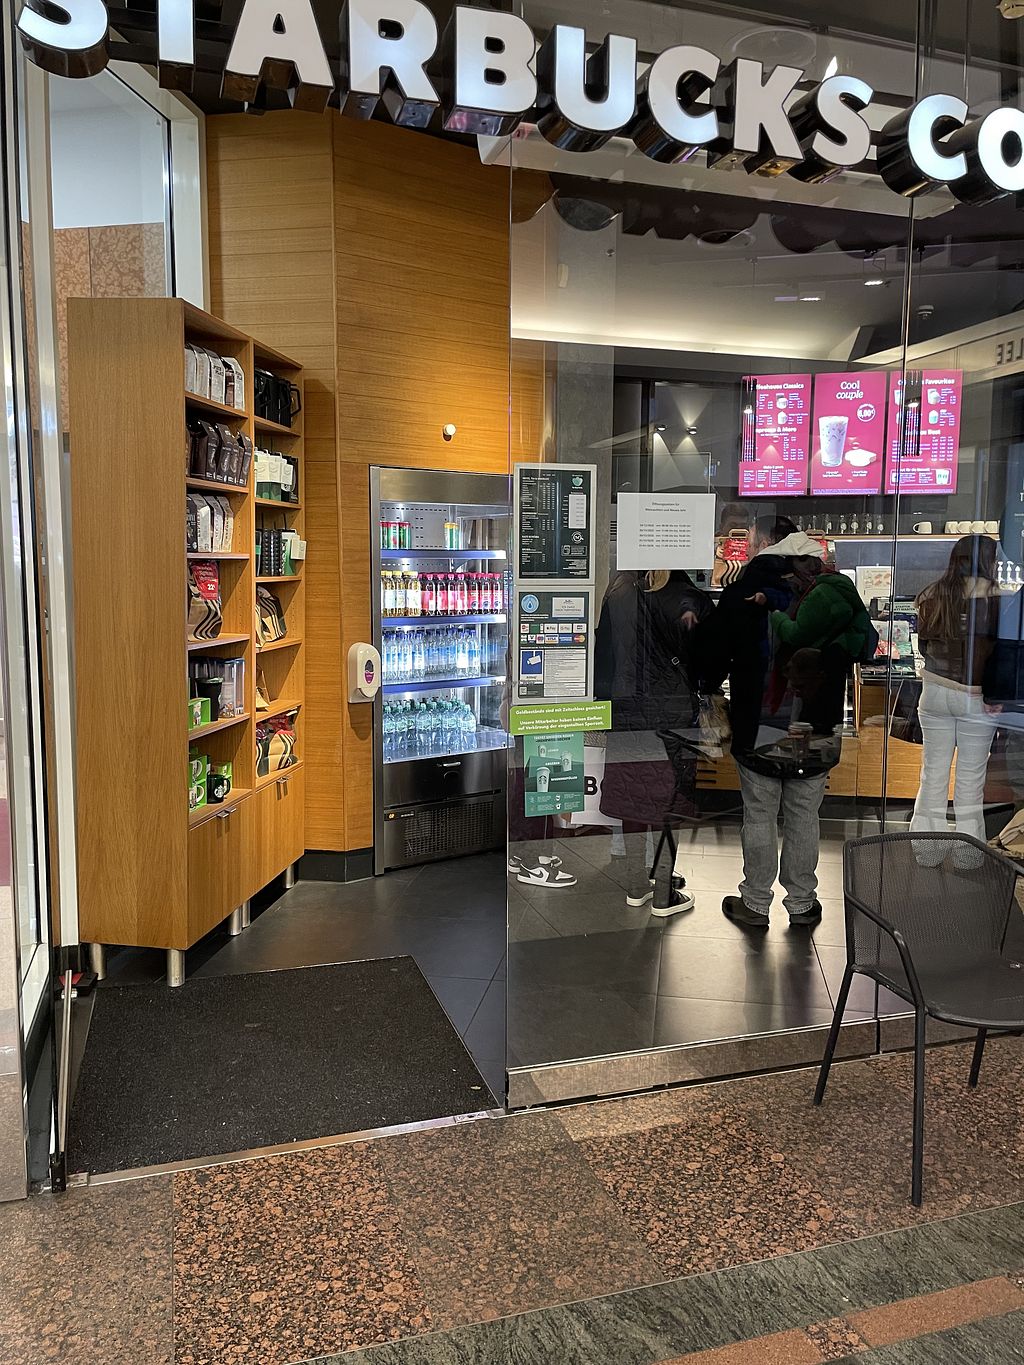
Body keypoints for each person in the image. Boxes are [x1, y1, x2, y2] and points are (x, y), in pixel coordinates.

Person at [701, 518, 868, 929]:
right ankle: (802, 903)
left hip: (759, 722)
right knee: (805, 814)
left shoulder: (743, 590)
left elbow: (713, 655)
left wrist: (706, 686)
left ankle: (756, 903)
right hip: (818, 721)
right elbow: (861, 647)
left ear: (764, 543)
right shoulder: (832, 587)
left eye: (750, 540)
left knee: (759, 814)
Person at [595, 567, 712, 916]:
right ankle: (663, 892)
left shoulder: (618, 590)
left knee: (632, 796)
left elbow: (603, 654)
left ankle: (635, 884)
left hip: (625, 708)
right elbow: (711, 659)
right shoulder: (688, 597)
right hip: (672, 712)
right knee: (670, 799)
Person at [911, 534, 1000, 847]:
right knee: (970, 782)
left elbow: (924, 645)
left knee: (932, 775)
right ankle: (968, 854)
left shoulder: (932, 593)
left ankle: (926, 848)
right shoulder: (995, 596)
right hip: (976, 697)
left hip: (934, 691)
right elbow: (998, 652)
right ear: (987, 561)